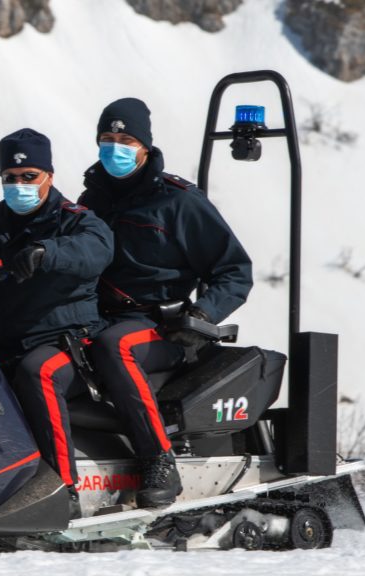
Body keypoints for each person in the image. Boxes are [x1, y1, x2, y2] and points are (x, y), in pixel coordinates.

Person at [78, 98, 253, 507]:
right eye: (107, 139)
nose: (115, 148)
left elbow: (234, 271)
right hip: (96, 319)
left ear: (144, 146)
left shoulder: (179, 201)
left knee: (115, 346)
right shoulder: (91, 200)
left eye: (126, 140)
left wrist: (203, 314)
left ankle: (159, 460)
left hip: (161, 329)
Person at [0, 128, 114, 518]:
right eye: (11, 177)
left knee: (36, 372)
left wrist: (46, 252)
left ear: (49, 176)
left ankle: (63, 492)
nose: (20, 185)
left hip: (67, 347)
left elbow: (96, 250)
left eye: (29, 176)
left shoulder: (75, 222)